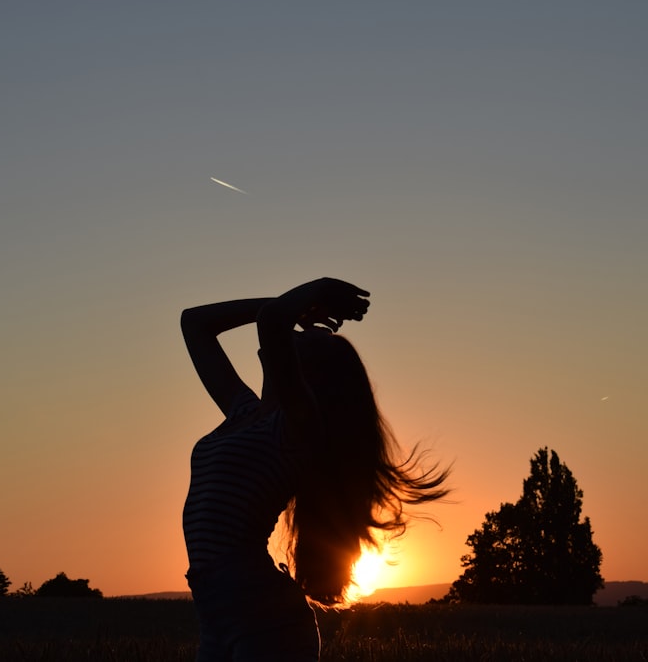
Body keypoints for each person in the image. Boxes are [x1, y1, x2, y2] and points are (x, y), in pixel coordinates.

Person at [181, 277, 449, 661]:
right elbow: (194, 322)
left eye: (307, 337)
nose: (300, 332)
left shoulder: (297, 427)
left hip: (264, 619)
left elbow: (272, 321)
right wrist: (290, 305)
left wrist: (314, 292)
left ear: (309, 377)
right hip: (217, 613)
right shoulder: (244, 411)